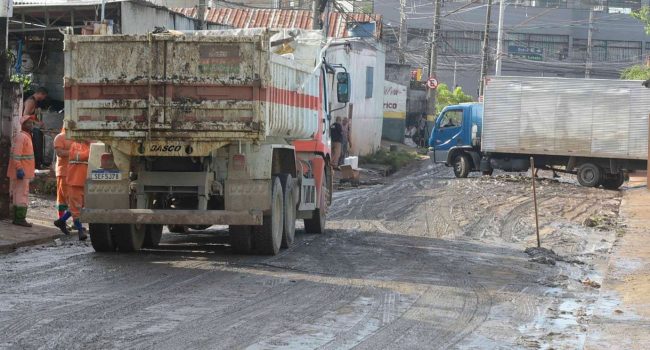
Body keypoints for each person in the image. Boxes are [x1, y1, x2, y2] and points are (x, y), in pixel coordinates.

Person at [54, 140, 89, 241]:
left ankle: (61, 221)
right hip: (75, 182)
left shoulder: (88, 146)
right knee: (76, 208)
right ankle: (80, 231)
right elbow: (78, 156)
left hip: (83, 182)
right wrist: (90, 152)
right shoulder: (76, 145)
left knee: (78, 206)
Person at [7, 115, 36, 227]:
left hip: (23, 172)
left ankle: (18, 218)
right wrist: (19, 168)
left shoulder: (25, 136)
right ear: (23, 125)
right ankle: (20, 219)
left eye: (32, 123)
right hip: (21, 172)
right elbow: (16, 155)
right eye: (29, 123)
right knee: (21, 195)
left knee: (18, 194)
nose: (31, 125)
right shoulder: (22, 137)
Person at [52, 128, 73, 232]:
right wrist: (75, 153)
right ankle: (62, 221)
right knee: (63, 199)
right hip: (63, 172)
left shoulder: (76, 138)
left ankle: (71, 222)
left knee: (73, 199)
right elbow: (59, 153)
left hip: (75, 173)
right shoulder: (60, 137)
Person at [23, 87, 48, 169]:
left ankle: (37, 163)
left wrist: (39, 121)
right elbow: (25, 116)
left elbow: (32, 116)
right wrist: (37, 123)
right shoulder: (30, 101)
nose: (44, 99)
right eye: (44, 96)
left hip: (29, 128)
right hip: (24, 129)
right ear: (41, 94)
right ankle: (35, 164)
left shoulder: (35, 102)